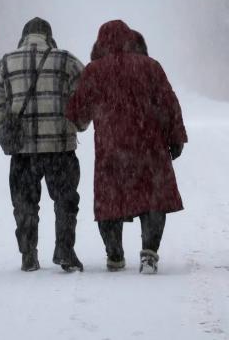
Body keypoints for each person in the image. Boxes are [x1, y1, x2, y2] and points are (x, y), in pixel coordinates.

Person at [66, 20, 187, 274]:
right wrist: (175, 138)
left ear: (100, 43)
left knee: (110, 200)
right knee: (153, 199)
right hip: (149, 144)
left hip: (111, 147)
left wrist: (78, 120)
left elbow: (78, 111)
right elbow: (169, 104)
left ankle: (114, 254)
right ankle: (149, 253)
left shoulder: (94, 71)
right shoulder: (151, 67)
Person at [0, 17, 87, 272]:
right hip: (60, 147)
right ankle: (65, 250)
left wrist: (5, 135)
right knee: (65, 200)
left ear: (24, 36)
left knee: (24, 203)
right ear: (49, 37)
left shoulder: (6, 62)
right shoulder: (67, 60)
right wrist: (81, 124)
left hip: (22, 151)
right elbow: (85, 95)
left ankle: (28, 255)